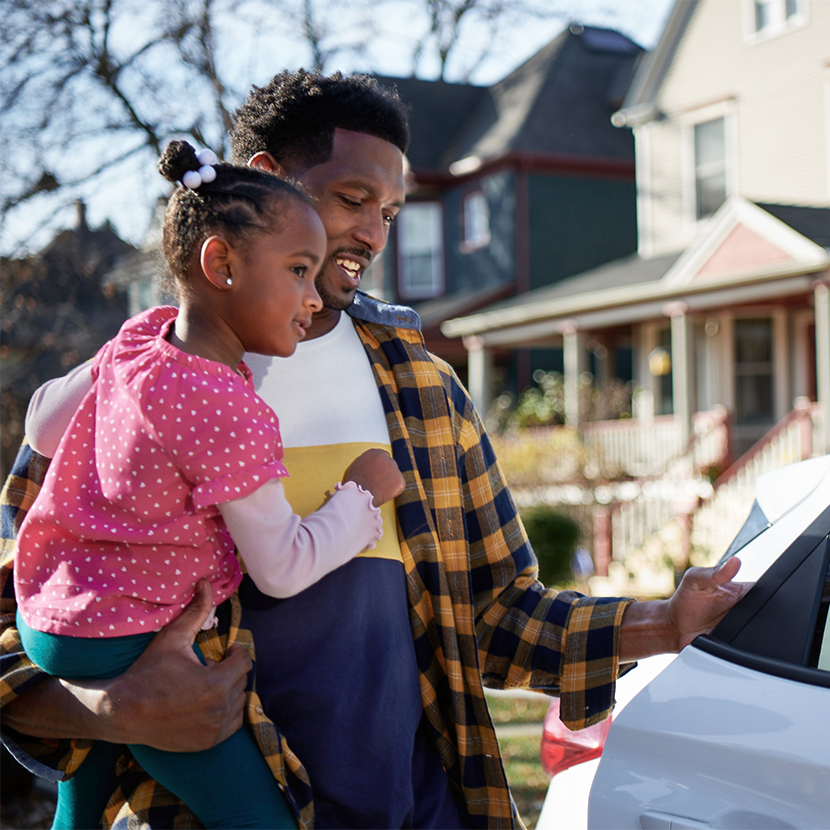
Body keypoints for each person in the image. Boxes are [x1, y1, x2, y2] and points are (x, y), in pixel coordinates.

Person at [0, 71, 749, 830]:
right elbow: (26, 607)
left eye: (390, 212)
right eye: (353, 200)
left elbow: (496, 610)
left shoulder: (423, 388)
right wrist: (107, 710)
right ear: (266, 182)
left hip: (419, 809)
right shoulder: (135, 383)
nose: (375, 234)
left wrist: (665, 622)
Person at [11, 138, 403, 830]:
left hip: (49, 623)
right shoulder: (230, 411)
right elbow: (281, 567)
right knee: (255, 816)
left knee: (84, 799)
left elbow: (42, 427)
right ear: (220, 263)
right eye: (298, 271)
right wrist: (360, 496)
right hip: (126, 641)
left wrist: (105, 373)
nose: (313, 298)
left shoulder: (141, 341)